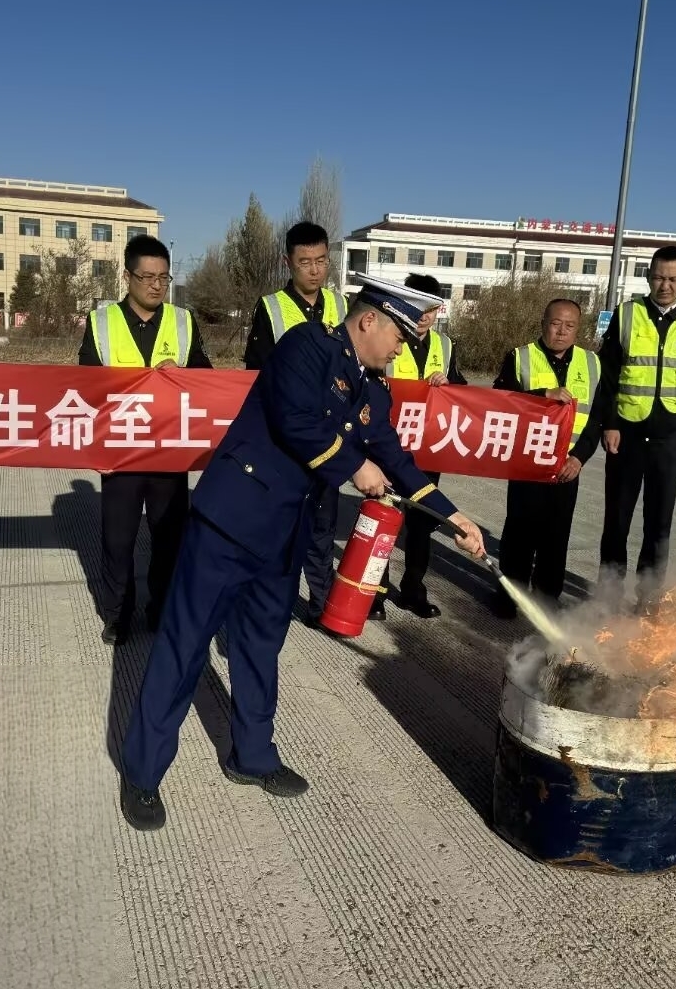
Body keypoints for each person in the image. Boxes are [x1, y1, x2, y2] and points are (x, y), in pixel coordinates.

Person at [118, 274, 486, 832]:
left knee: (260, 648)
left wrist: (452, 516)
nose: (400, 351)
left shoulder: (372, 388)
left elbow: (394, 456)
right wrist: (354, 466)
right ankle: (143, 773)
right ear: (369, 320)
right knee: (184, 645)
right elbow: (295, 420)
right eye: (398, 338)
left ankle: (252, 756)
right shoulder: (306, 345)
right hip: (230, 523)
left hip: (283, 535)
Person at [78, 234, 212, 646]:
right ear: (127, 276)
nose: (156, 285)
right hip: (120, 452)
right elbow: (84, 387)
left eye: (163, 278)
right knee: (117, 541)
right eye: (147, 277)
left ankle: (162, 609)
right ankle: (118, 615)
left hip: (169, 451)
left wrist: (184, 375)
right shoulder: (101, 322)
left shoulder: (183, 322)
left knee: (169, 538)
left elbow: (207, 378)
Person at [243, 222, 349, 628]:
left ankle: (321, 605)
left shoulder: (342, 307)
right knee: (280, 528)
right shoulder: (271, 308)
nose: (315, 270)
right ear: (287, 262)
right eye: (305, 262)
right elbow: (256, 375)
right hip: (284, 442)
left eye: (321, 260)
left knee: (322, 527)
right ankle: (271, 606)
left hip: (328, 439)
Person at [596, 245, 676, 614]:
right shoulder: (627, 314)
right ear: (649, 276)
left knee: (659, 523)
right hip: (627, 434)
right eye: (659, 277)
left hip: (671, 435)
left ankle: (649, 597)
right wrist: (610, 423)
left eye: (673, 279)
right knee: (617, 520)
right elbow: (608, 377)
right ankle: (609, 594)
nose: (666, 285)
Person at [492, 298, 602, 615]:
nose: (562, 331)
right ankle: (510, 596)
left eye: (570, 326)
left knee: (556, 535)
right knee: (519, 533)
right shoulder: (520, 357)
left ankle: (547, 597)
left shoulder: (593, 364)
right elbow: (500, 402)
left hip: (567, 465)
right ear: (543, 324)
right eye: (555, 324)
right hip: (527, 462)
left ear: (578, 329)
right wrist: (542, 395)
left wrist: (579, 458)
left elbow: (597, 417)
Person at [371, 272, 468, 621]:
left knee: (422, 524)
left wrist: (449, 383)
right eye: (417, 306)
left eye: (430, 308)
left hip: (428, 450)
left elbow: (463, 392)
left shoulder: (446, 345)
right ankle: (375, 594)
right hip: (389, 447)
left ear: (438, 309)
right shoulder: (387, 337)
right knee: (384, 520)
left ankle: (413, 590)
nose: (423, 316)